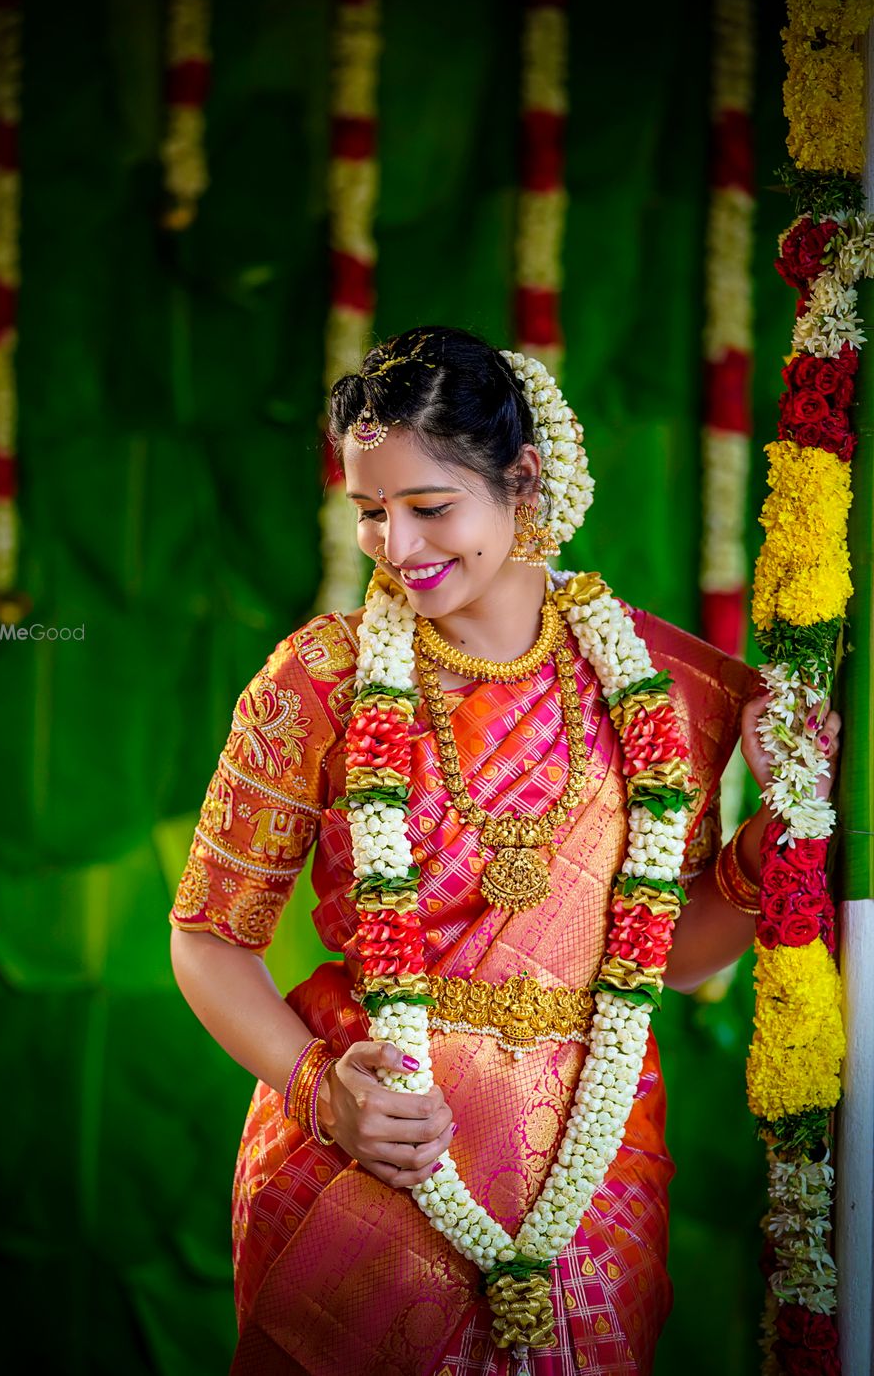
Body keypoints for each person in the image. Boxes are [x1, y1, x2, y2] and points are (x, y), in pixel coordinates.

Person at [168, 327, 841, 1376]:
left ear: (523, 481)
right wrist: (316, 1089)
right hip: (374, 1143)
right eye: (370, 513)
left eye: (429, 506)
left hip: (593, 1156)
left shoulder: (673, 686)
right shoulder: (318, 679)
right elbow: (206, 938)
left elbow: (669, 958)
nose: (396, 547)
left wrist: (771, 846)